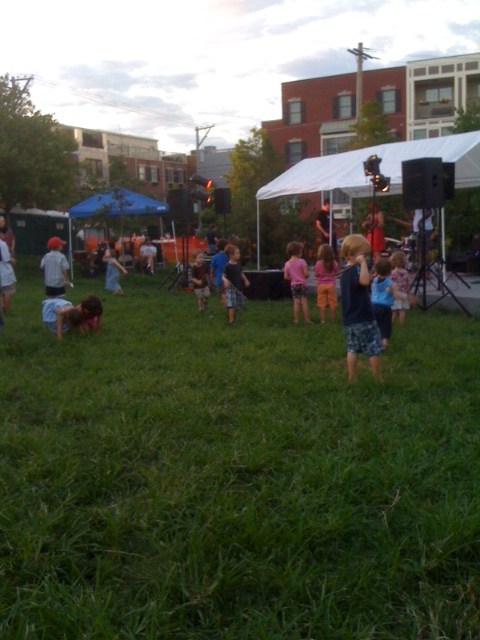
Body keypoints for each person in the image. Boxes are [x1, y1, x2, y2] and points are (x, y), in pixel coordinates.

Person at [340, 234, 383, 381]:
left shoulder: (346, 272)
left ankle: (352, 377)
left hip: (349, 319)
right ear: (351, 255)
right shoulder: (356, 270)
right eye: (364, 255)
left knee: (352, 349)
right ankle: (378, 378)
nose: (366, 258)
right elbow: (364, 282)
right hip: (363, 317)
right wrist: (363, 263)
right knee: (373, 348)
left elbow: (363, 281)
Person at [371, 257, 412, 349]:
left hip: (373, 306)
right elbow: (396, 295)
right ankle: (385, 342)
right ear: (390, 271)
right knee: (385, 325)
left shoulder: (375, 281)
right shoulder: (391, 283)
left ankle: (374, 341)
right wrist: (408, 298)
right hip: (385, 307)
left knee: (374, 325)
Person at [284, 240, 312, 325]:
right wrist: (305, 276)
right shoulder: (302, 261)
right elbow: (306, 274)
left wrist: (293, 277)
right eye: (301, 251)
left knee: (296, 302)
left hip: (294, 285)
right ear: (298, 252)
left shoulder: (287, 263)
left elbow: (286, 277)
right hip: (302, 284)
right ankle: (307, 320)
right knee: (304, 302)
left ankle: (296, 320)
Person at [222, 244, 250, 324]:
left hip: (238, 287)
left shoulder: (238, 264)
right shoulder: (227, 266)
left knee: (238, 304)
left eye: (239, 253)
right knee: (232, 304)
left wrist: (246, 280)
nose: (239, 254)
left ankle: (233, 315)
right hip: (231, 289)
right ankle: (231, 320)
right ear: (231, 255)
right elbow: (223, 276)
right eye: (237, 253)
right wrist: (225, 281)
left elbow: (241, 273)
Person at [314, 243, 338, 324]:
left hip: (321, 285)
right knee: (332, 303)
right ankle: (332, 320)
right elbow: (336, 272)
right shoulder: (334, 263)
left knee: (322, 303)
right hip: (331, 285)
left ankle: (323, 320)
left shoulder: (318, 263)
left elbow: (316, 274)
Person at [390, 250, 413, 325]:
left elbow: (391, 284)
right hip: (404, 293)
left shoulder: (393, 273)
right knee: (402, 310)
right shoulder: (406, 272)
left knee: (394, 311)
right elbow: (407, 283)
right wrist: (408, 292)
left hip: (396, 294)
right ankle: (402, 324)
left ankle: (392, 324)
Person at [0, 237, 17, 313]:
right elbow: (6, 258)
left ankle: (1, 306)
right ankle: (5, 310)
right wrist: (13, 260)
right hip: (4, 270)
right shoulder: (2, 244)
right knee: (7, 291)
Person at [210, 239, 228, 305]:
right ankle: (227, 304)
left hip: (219, 279)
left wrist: (211, 275)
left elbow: (212, 268)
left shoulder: (215, 257)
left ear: (218, 247)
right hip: (228, 279)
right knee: (227, 293)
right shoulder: (229, 257)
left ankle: (224, 305)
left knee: (220, 294)